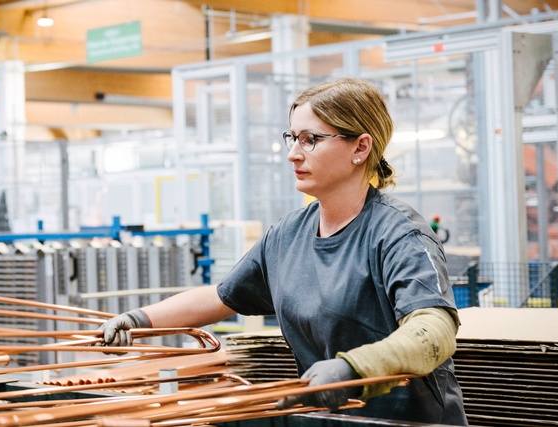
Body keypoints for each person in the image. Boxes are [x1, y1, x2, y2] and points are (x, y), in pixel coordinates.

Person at [100, 77, 467, 424]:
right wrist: (138, 320)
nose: (292, 154)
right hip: (326, 420)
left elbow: (434, 330)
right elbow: (221, 296)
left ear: (360, 147)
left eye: (310, 140)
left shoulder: (398, 233)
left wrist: (353, 369)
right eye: (292, 137)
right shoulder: (287, 235)